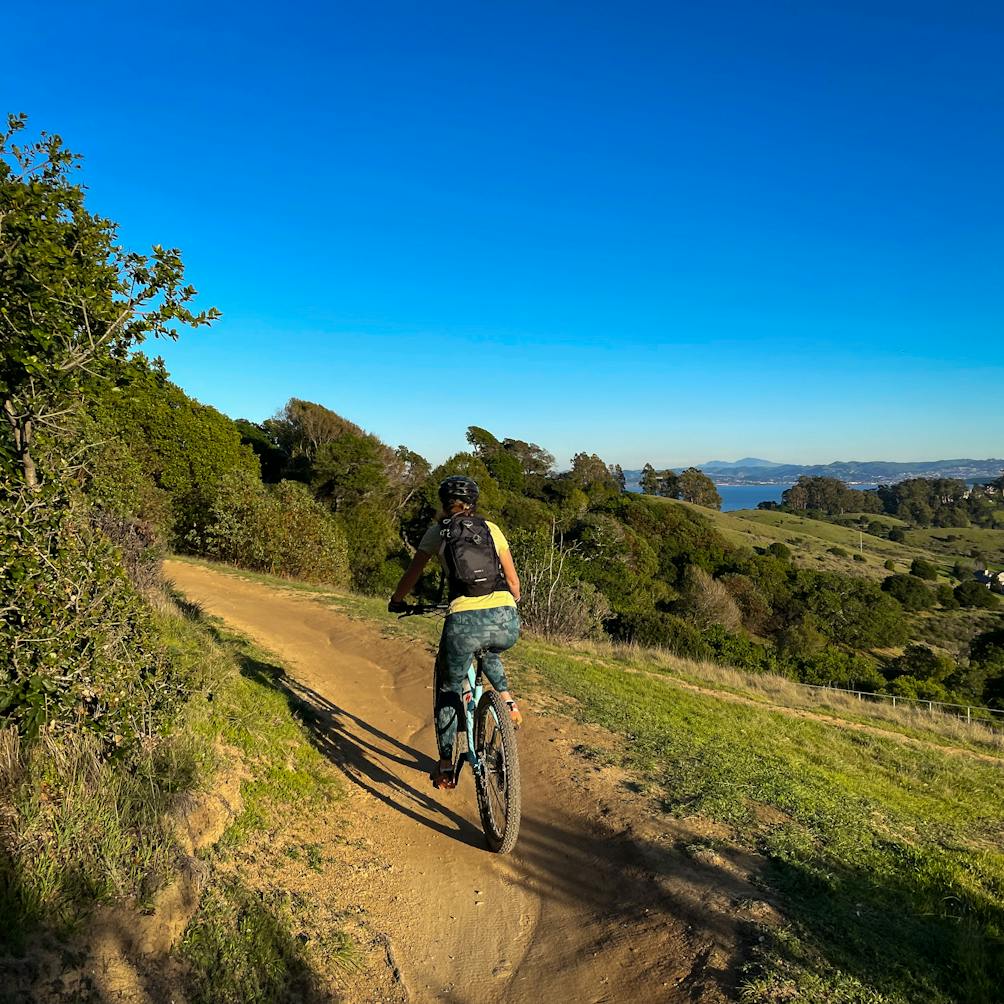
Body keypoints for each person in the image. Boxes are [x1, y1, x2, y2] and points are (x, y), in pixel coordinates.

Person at [389, 476, 522, 789]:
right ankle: (507, 702)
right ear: (473, 503)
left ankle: (447, 766)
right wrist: (510, 602)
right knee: (489, 648)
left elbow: (413, 572)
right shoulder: (491, 528)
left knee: (449, 690)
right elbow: (513, 580)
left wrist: (397, 600)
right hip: (506, 617)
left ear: (443, 503)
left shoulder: (439, 531)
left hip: (462, 620)